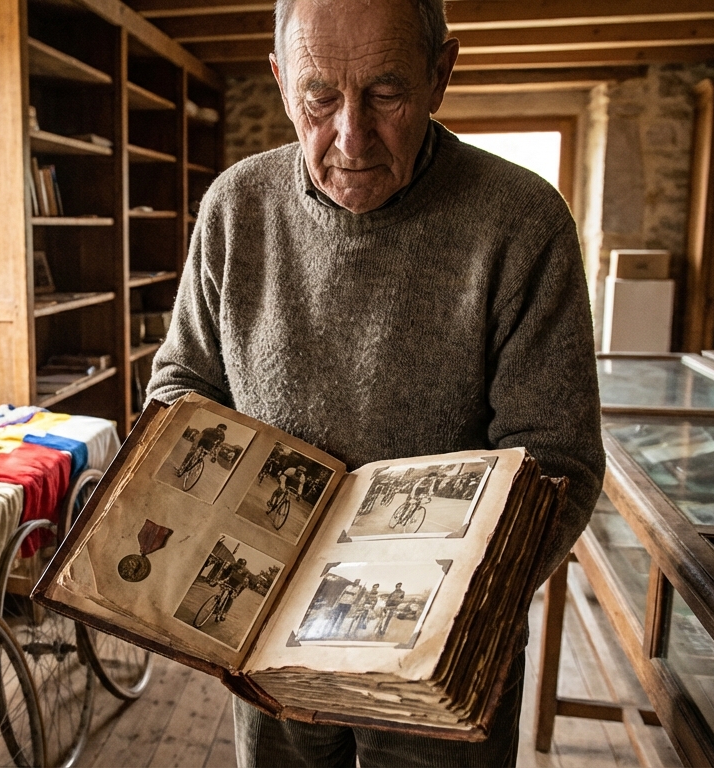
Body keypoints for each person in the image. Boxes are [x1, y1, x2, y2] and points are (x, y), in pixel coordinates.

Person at [146, 0, 603, 762]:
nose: (350, 137)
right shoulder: (235, 207)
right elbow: (182, 387)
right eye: (319, 96)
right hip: (265, 631)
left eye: (386, 93)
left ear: (440, 76)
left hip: (444, 656)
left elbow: (559, 460)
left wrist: (450, 618)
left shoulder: (522, 220)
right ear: (281, 81)